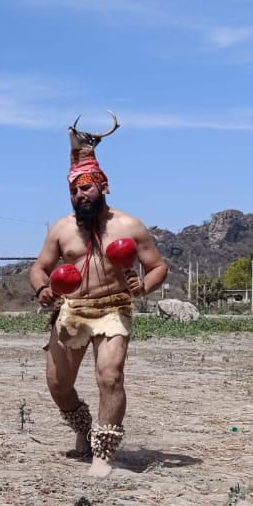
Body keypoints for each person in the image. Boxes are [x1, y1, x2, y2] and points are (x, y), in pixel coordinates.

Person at [29, 115, 168, 478]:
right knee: (58, 384)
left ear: (103, 186)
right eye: (75, 190)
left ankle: (104, 450)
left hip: (113, 308)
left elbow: (158, 267)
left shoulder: (129, 226)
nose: (80, 195)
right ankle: (82, 425)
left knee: (110, 375)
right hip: (73, 308)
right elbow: (38, 268)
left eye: (87, 188)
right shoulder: (61, 229)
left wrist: (145, 285)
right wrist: (43, 288)